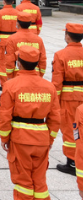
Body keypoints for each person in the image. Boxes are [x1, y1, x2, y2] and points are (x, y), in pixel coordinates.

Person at [0, 46, 60, 200]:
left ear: (18, 63)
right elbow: (55, 118)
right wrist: (50, 140)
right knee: (40, 182)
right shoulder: (49, 87)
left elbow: (5, 117)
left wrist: (5, 138)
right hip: (41, 139)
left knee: (23, 182)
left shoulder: (11, 85)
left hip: (20, 140)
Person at [51, 23, 83, 175]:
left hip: (69, 97)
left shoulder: (60, 55)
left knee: (70, 129)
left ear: (68, 36)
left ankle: (72, 162)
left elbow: (57, 82)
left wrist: (53, 104)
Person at [4, 12, 46, 80]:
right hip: (35, 75)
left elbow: (9, 60)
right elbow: (42, 59)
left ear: (17, 23)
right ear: (30, 24)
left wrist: (9, 76)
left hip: (17, 75)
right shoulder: (38, 40)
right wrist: (40, 75)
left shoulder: (11, 39)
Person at [0, 0, 20, 89]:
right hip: (16, 40)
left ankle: (4, 84)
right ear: (13, 1)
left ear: (3, 1)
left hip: (3, 41)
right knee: (16, 61)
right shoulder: (18, 13)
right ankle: (15, 82)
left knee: (3, 63)